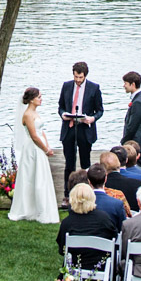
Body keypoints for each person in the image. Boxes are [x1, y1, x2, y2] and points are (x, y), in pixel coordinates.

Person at [9, 86, 59, 224]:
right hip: (33, 148)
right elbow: (34, 136)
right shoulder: (27, 115)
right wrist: (45, 149)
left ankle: (41, 207)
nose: (41, 99)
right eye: (39, 97)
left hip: (40, 147)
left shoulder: (35, 113)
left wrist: (47, 145)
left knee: (41, 176)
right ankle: (31, 208)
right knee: (32, 177)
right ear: (31, 100)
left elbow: (41, 131)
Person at [56, 62, 103, 191]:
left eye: (80, 77)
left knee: (85, 162)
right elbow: (60, 106)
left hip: (85, 129)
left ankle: (86, 190)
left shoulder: (94, 88)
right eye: (76, 77)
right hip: (69, 127)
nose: (78, 80)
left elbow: (100, 111)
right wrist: (63, 114)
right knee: (69, 163)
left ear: (85, 76)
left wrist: (92, 118)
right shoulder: (66, 86)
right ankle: (67, 192)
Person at [57, 182, 121, 272]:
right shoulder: (104, 219)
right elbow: (114, 237)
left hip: (74, 270)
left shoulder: (67, 222)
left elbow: (62, 249)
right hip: (102, 269)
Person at [120, 71, 141, 157]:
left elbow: (132, 126)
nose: (124, 86)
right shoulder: (140, 98)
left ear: (132, 84)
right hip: (138, 142)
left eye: (125, 83)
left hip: (137, 143)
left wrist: (123, 142)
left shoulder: (138, 102)